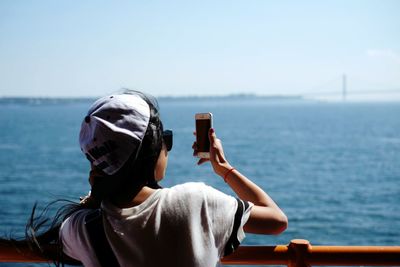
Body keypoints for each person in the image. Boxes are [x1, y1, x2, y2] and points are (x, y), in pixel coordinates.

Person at [2, 90, 287, 267]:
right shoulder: (197, 201)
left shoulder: (79, 229)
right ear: (151, 152)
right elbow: (277, 221)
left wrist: (96, 195)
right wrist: (224, 168)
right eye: (165, 139)